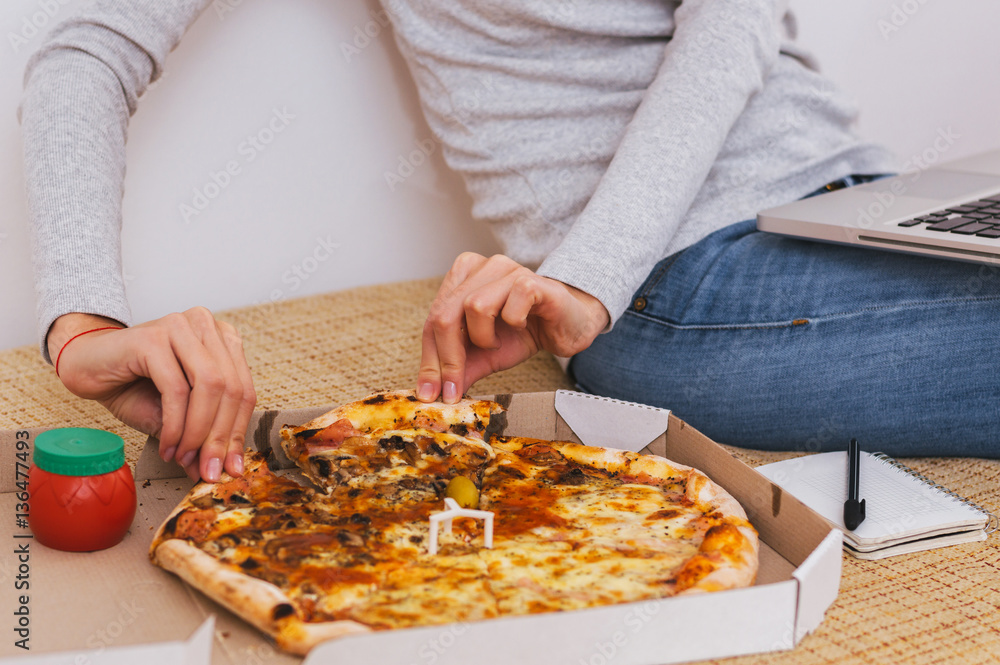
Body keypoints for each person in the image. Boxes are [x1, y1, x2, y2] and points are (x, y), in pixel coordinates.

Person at [31, 0, 964, 488]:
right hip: (681, 274)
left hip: (861, 189)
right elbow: (88, 48)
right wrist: (80, 327)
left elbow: (734, 18)